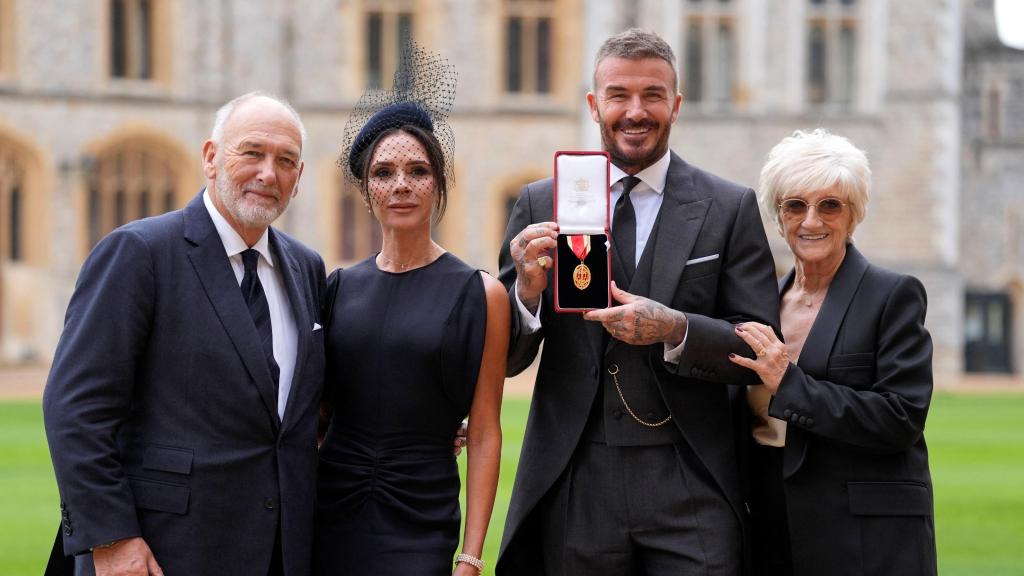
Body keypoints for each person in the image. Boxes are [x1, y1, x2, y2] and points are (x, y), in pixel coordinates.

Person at [497, 29, 781, 575]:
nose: (635, 111)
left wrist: (676, 329)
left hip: (690, 474)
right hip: (579, 475)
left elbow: (758, 347)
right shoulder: (541, 201)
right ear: (593, 104)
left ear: (676, 104)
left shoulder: (729, 207)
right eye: (618, 95)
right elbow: (508, 359)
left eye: (652, 95)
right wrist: (527, 295)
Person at [43, 92, 326, 576]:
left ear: (298, 180)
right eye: (252, 152)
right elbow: (76, 407)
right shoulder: (139, 252)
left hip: (281, 552)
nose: (267, 173)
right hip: (162, 551)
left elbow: (308, 409)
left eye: (286, 161)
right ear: (211, 157)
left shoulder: (306, 267)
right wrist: (111, 538)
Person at [314, 44, 508, 576]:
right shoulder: (336, 288)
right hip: (329, 506)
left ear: (439, 183)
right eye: (384, 172)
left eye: (417, 170)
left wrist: (470, 556)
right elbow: (318, 411)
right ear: (367, 188)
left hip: (422, 511)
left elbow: (487, 429)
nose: (401, 184)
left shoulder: (481, 294)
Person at [729, 129, 937, 576]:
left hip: (862, 535)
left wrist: (791, 385)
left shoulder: (892, 295)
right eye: (796, 205)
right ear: (779, 217)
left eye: (829, 205)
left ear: (854, 215)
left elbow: (901, 417)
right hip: (767, 519)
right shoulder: (761, 303)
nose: (811, 221)